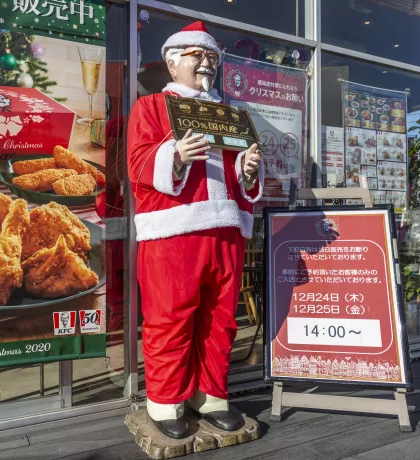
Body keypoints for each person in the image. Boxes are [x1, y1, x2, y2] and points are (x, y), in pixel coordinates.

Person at [127, 21, 263, 439]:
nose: (207, 64)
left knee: (221, 319)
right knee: (170, 317)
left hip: (226, 230)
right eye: (197, 56)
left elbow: (238, 175)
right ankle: (166, 400)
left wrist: (248, 169)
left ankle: (211, 394)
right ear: (172, 62)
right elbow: (137, 164)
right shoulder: (150, 107)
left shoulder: (232, 116)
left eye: (212, 58)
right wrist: (176, 154)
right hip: (174, 233)